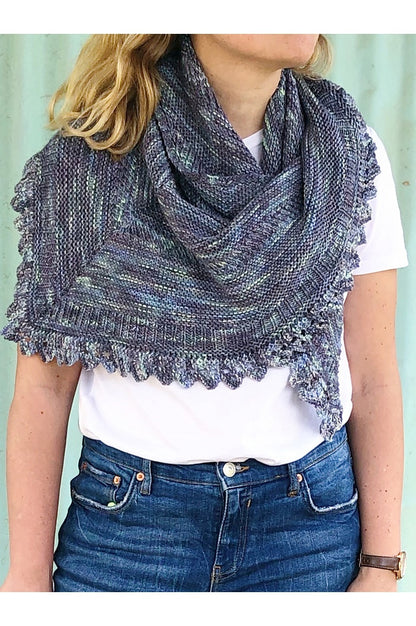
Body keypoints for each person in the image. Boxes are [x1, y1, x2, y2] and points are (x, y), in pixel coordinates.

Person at [0, 34, 408, 592]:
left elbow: (374, 375)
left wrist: (382, 566)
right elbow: (44, 388)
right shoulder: (92, 166)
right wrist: (26, 576)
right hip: (130, 535)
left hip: (308, 532)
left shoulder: (346, 158)